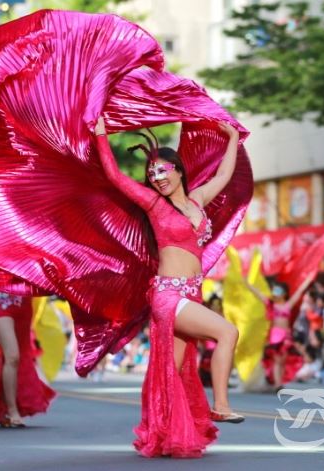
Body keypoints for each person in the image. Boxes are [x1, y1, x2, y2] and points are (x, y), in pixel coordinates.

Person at [94, 116, 242, 458]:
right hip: (169, 295)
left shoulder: (198, 200)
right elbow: (115, 176)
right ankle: (220, 403)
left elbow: (224, 174)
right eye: (152, 175)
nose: (157, 179)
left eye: (162, 171)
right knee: (227, 333)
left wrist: (233, 137)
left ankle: (160, 433)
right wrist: (102, 135)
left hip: (191, 293)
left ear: (177, 170)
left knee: (171, 371)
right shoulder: (154, 206)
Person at [0, 291, 56, 427]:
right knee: (12, 356)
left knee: (19, 357)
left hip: (22, 305)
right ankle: (13, 411)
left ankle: (3, 407)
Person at [244, 278, 311, 391]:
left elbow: (299, 292)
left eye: (278, 290)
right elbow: (258, 294)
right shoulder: (271, 304)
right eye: (275, 290)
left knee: (283, 360)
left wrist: (308, 280)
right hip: (275, 336)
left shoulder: (288, 305)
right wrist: (248, 284)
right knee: (276, 360)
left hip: (286, 336)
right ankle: (277, 385)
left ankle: (279, 382)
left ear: (284, 293)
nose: (275, 292)